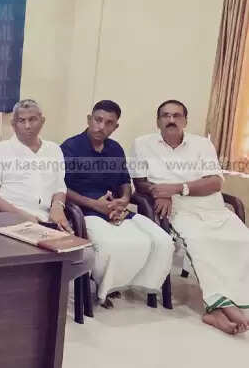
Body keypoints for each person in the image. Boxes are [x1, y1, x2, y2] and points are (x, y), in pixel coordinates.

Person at [132, 99, 249, 335]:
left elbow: (215, 182)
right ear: (158, 121)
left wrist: (176, 188)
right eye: (165, 115)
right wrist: (160, 193)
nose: (171, 120)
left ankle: (227, 304)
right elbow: (139, 182)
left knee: (242, 240)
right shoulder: (142, 144)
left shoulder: (202, 145)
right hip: (179, 210)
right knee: (201, 242)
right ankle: (221, 307)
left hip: (212, 207)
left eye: (177, 115)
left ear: (185, 121)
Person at [61, 100, 173, 307]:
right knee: (110, 245)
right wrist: (95, 205)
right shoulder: (71, 147)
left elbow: (125, 181)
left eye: (109, 123)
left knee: (162, 240)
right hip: (84, 211)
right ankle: (105, 288)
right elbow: (61, 188)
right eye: (98, 120)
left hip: (117, 209)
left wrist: (124, 199)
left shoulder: (115, 149)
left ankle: (138, 284)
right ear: (89, 119)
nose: (101, 126)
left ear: (115, 126)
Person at [0, 99, 71, 231]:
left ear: (42, 121)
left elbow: (59, 187)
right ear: (13, 124)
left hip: (48, 221)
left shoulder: (54, 150)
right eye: (21, 121)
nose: (27, 126)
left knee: (77, 244)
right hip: (11, 220)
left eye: (32, 119)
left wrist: (57, 207)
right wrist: (21, 216)